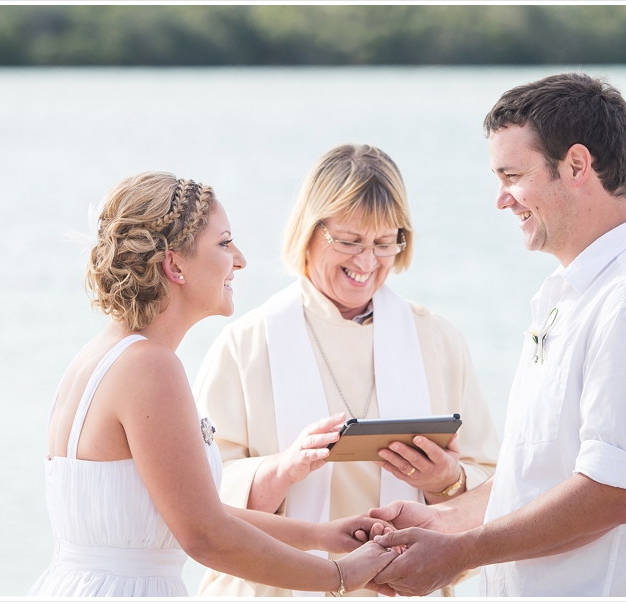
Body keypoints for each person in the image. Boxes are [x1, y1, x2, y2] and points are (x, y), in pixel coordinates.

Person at [370, 73, 626, 596]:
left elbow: (611, 492)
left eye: (512, 175)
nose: (501, 200)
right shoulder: (569, 295)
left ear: (576, 165)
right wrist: (447, 521)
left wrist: (461, 552)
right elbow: (543, 478)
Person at [28, 172, 400, 597]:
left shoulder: (98, 356)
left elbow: (194, 511)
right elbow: (204, 536)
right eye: (224, 243)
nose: (239, 259)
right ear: (174, 264)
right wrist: (340, 577)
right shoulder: (151, 366)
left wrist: (320, 535)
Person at [195, 144, 501, 596]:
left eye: (383, 243)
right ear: (309, 232)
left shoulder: (437, 340)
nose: (366, 263)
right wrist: (284, 470)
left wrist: (446, 481)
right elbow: (199, 504)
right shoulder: (247, 343)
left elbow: (496, 488)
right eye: (350, 241)